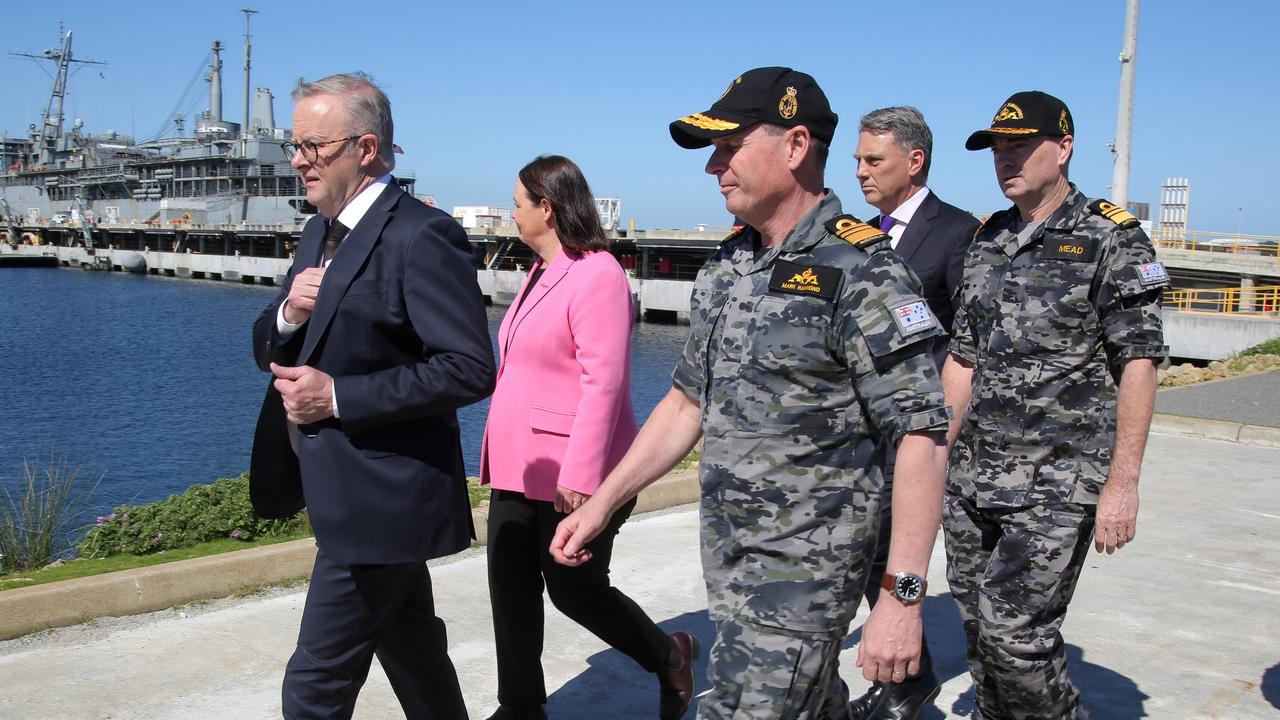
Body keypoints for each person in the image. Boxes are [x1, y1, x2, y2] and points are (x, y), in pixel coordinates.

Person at [550, 66, 951, 719]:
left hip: (806, 570)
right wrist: (601, 504)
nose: (714, 167)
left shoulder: (864, 269)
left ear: (795, 147)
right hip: (729, 562)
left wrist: (901, 599)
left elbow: (922, 439)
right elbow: (685, 405)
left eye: (729, 147)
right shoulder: (727, 266)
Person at [248, 72, 495, 719]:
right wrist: (289, 318)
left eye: (313, 147)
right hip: (343, 493)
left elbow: (471, 368)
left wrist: (339, 397)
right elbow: (265, 346)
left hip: (383, 502)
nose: (298, 161)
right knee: (414, 655)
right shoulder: (317, 231)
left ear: (365, 148)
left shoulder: (422, 235)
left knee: (313, 690)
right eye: (293, 146)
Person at [942, 90, 1168, 719]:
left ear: (1063, 148)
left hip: (1058, 480)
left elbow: (1139, 364)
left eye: (1020, 145)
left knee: (1016, 638)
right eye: (997, 148)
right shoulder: (989, 240)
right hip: (972, 478)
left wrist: (1123, 484)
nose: (1005, 159)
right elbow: (963, 358)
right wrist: (934, 453)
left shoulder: (1111, 239)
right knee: (979, 635)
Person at [479, 155, 698, 720]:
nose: (512, 213)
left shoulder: (597, 272)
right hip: (518, 464)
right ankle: (521, 705)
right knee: (510, 587)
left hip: (574, 469)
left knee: (575, 590)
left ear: (546, 208)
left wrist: (580, 478)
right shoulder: (540, 270)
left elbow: (604, 383)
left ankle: (667, 655)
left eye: (518, 203)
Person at [847, 106, 979, 720]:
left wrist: (943, 429)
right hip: (866, 435)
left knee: (905, 555)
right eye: (857, 160)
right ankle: (911, 669)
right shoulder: (859, 233)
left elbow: (969, 340)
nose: (861, 171)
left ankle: (909, 677)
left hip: (924, 434)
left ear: (914, 160)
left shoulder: (957, 233)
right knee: (871, 550)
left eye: (873, 161)